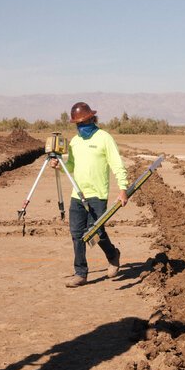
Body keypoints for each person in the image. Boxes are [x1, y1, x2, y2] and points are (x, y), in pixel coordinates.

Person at [49, 101, 129, 288]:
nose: (81, 127)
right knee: (77, 234)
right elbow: (72, 167)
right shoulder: (75, 142)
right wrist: (60, 166)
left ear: (92, 119)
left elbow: (117, 165)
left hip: (97, 195)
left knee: (96, 232)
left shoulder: (104, 138)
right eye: (78, 124)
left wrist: (123, 189)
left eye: (84, 123)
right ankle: (81, 273)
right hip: (77, 194)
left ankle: (112, 255)